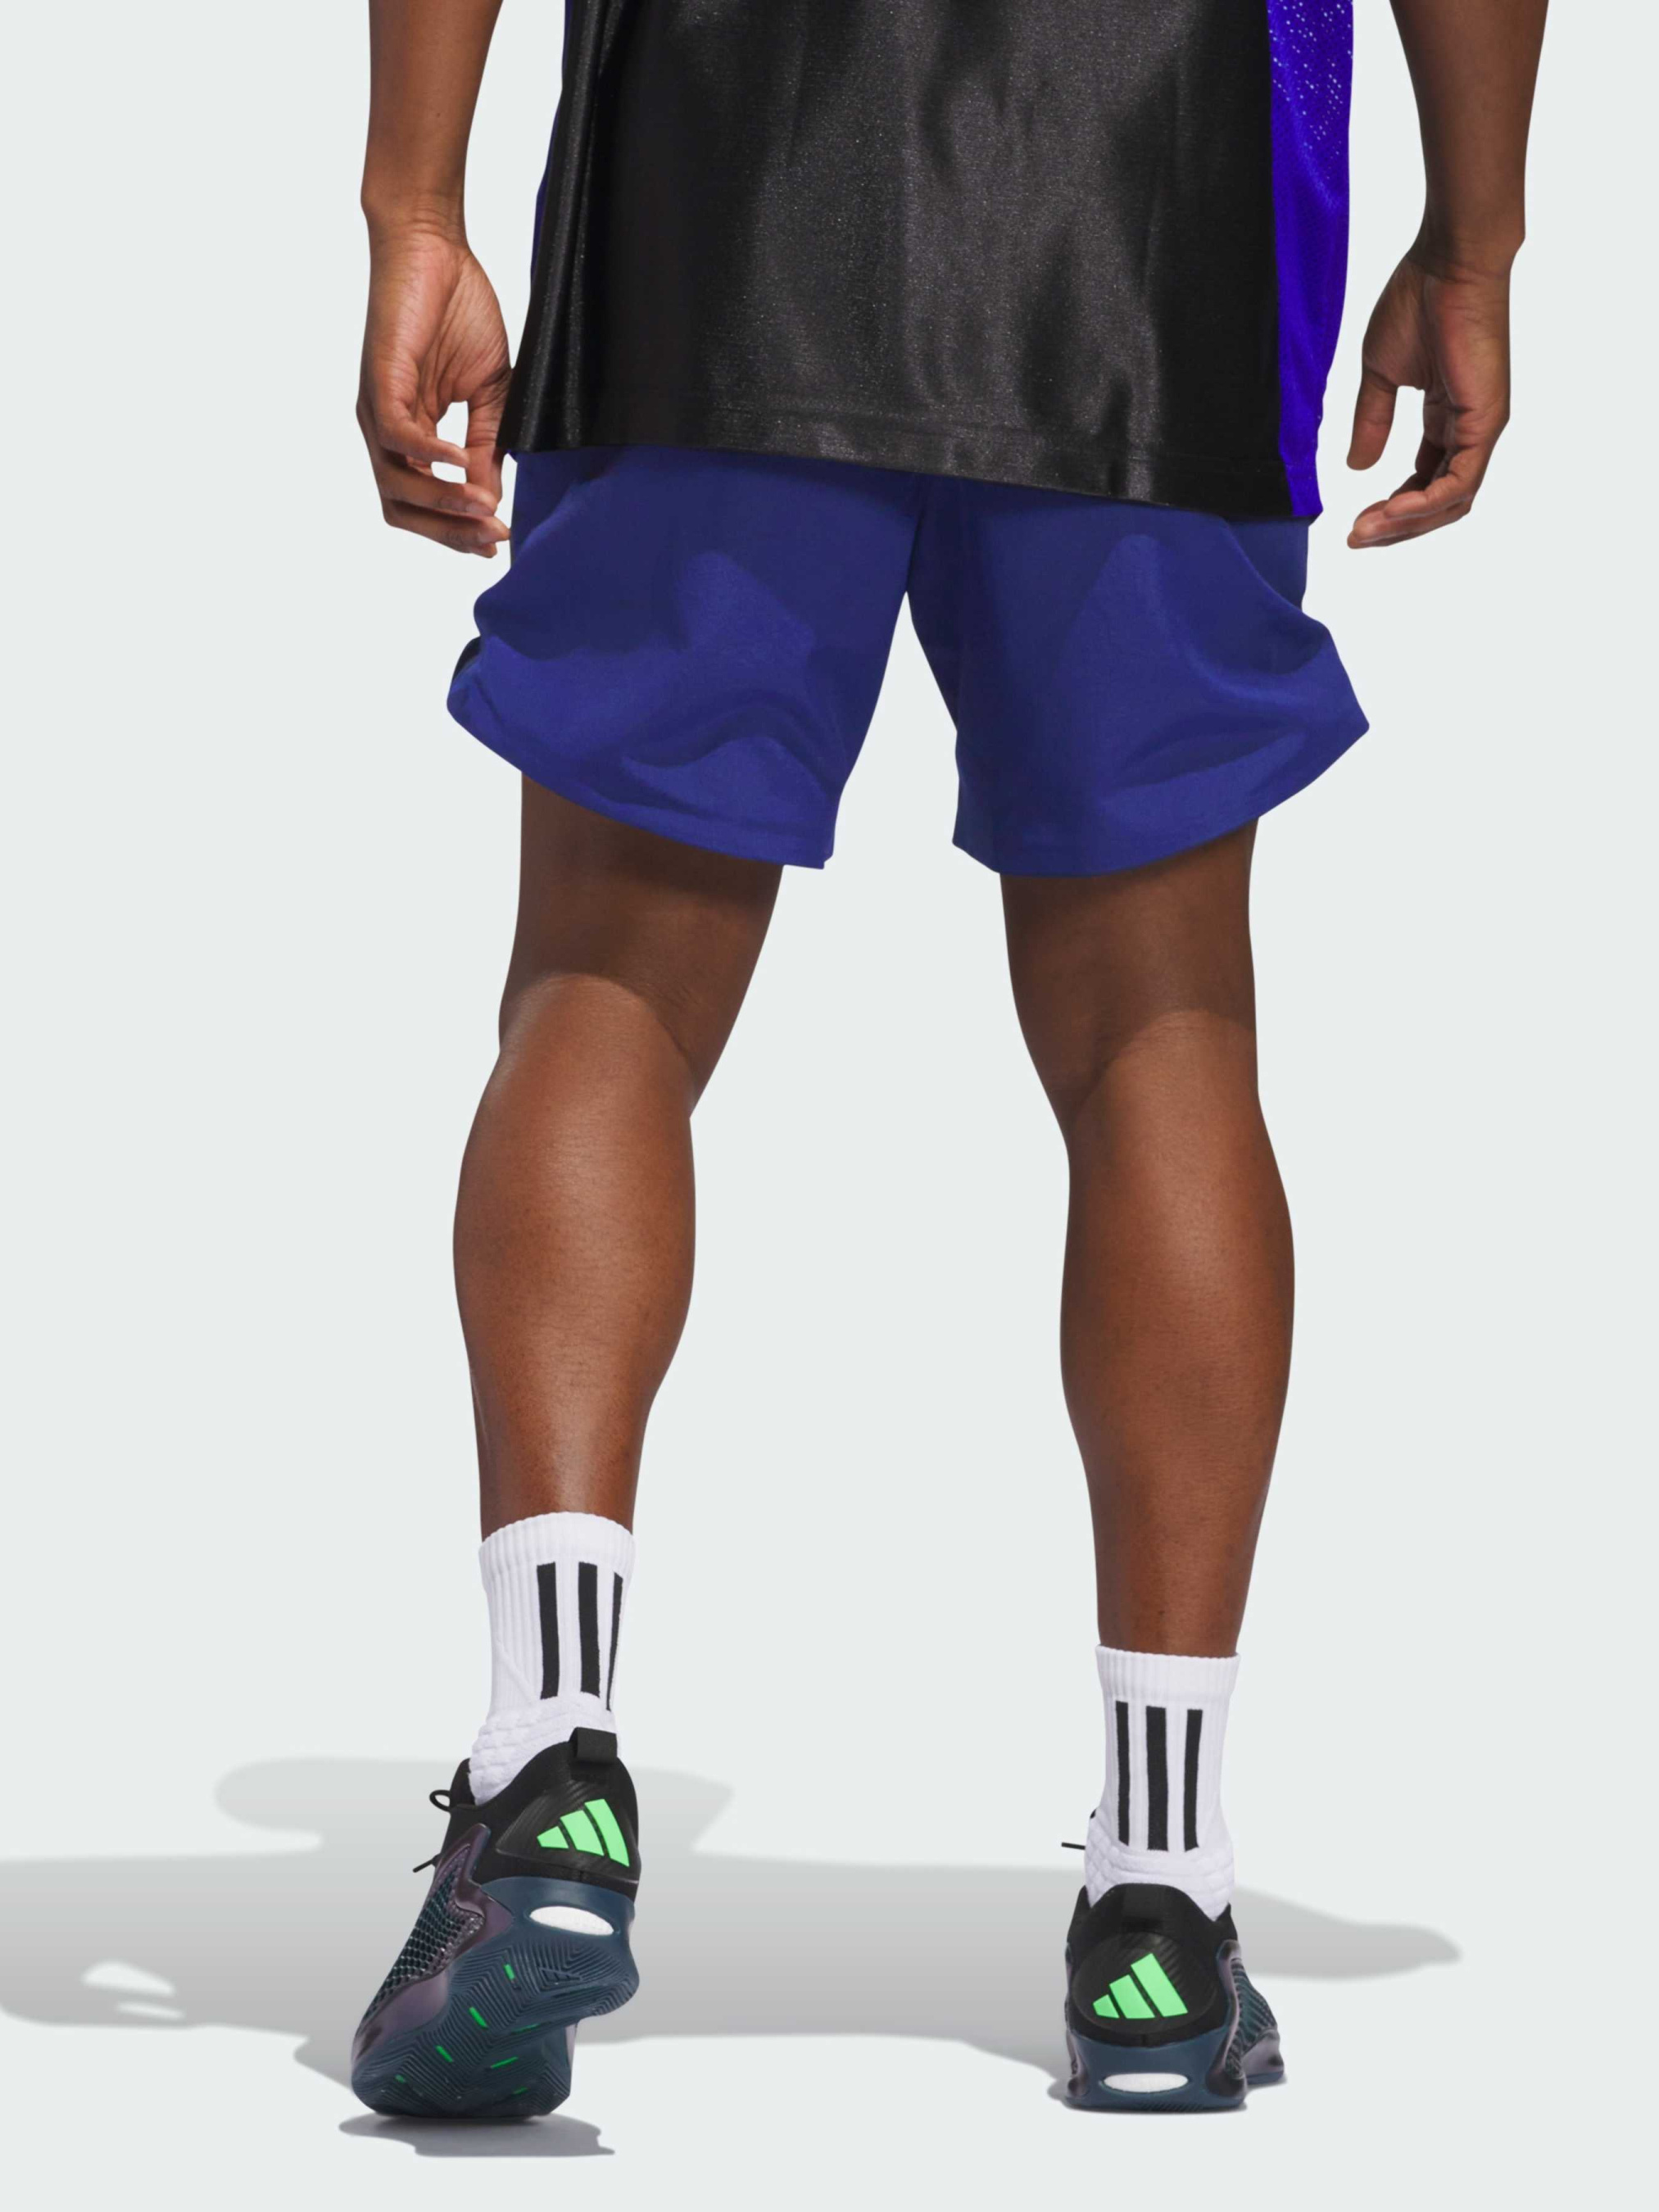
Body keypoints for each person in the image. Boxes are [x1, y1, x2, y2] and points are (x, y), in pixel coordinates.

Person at [347, 0, 1548, 2117]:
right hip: (1164, 191)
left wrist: (414, 202)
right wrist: (1474, 234)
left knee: (605, 989)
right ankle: (1160, 1907)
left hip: (718, 169)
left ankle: (549, 1771)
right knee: (1160, 1030)